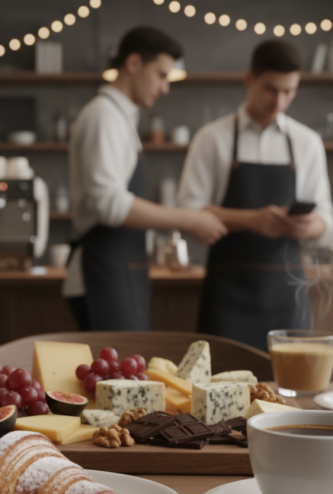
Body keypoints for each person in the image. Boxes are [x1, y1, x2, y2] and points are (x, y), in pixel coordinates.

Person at [64, 27, 227, 331]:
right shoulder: (104, 117)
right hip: (103, 271)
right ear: (134, 63)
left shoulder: (120, 118)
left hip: (120, 270)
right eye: (161, 75)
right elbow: (108, 204)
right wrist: (188, 219)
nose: (165, 88)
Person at [176, 40, 333, 350]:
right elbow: (188, 211)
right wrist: (251, 220)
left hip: (288, 296)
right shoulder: (212, 138)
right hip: (227, 295)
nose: (279, 101)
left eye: (289, 92)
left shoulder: (308, 142)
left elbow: (325, 217)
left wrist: (309, 226)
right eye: (270, 89)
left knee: (289, 393)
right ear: (250, 79)